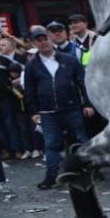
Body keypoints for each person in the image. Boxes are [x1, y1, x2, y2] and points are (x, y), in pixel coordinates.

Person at [24, 27, 94, 189]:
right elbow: (30, 90)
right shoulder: (32, 65)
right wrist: (33, 112)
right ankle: (51, 177)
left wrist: (88, 104)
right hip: (48, 112)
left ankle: (91, 171)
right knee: (52, 144)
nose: (43, 42)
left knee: (81, 140)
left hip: (72, 108)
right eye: (38, 40)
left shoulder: (68, 59)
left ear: (50, 39)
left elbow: (82, 83)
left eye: (45, 38)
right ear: (34, 43)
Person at [0, 40, 25, 160]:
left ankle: (17, 149)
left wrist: (16, 81)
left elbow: (19, 71)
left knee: (10, 124)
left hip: (5, 98)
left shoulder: (3, 60)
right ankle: (6, 150)